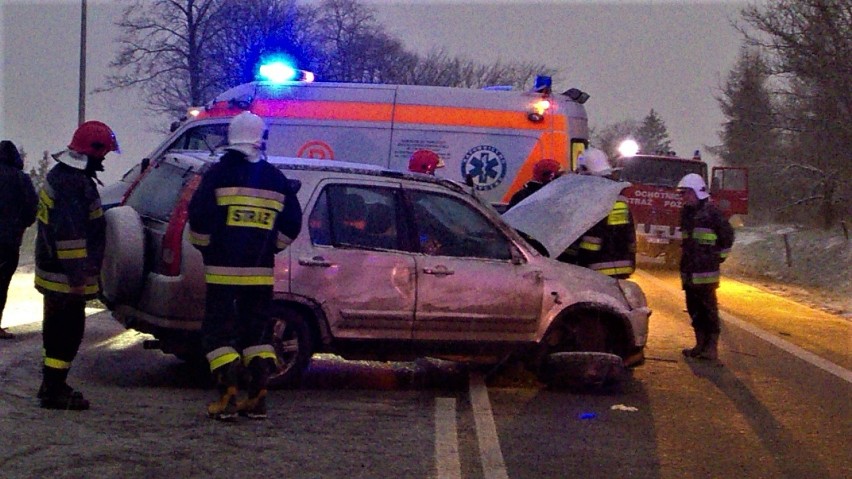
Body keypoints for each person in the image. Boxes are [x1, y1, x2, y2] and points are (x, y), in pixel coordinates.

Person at [188, 111, 302, 421]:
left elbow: (198, 217)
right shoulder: (276, 179)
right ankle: (257, 398)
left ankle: (227, 397)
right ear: (260, 139)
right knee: (258, 333)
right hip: (260, 274)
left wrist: (206, 247)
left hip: (222, 272)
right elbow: (293, 222)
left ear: (230, 137)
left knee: (217, 334)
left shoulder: (218, 175)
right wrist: (270, 248)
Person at [34, 121, 119, 410]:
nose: (104, 159)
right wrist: (78, 277)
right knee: (66, 332)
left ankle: (52, 384)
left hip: (54, 271)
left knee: (57, 330)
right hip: (65, 277)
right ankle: (54, 390)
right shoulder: (73, 184)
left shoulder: (63, 176)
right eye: (103, 152)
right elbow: (70, 236)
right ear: (92, 151)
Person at [677, 173, 734, 361]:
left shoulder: (712, 214)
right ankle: (699, 344)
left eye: (687, 193)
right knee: (694, 309)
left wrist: (717, 258)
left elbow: (727, 238)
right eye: (683, 194)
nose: (684, 197)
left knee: (708, 309)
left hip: (706, 273)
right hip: (689, 271)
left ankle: (711, 348)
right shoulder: (686, 214)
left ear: (697, 192)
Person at [558, 148, 636, 279]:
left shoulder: (594, 200)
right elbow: (626, 235)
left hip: (596, 269)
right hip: (622, 266)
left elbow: (591, 240)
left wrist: (570, 261)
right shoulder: (618, 196)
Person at [0, 141, 38, 339]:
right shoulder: (21, 180)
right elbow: (32, 207)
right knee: (2, 282)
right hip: (8, 241)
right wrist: (22, 226)